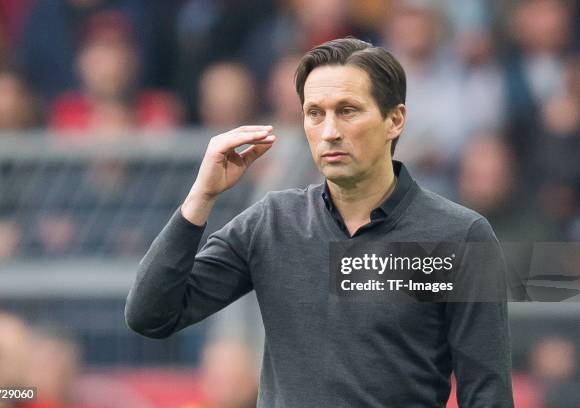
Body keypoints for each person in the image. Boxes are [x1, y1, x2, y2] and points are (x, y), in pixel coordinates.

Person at [125, 38, 513, 406]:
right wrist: (201, 196)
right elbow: (151, 316)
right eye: (315, 113)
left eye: (347, 110)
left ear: (395, 120)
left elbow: (487, 394)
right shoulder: (271, 222)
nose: (329, 132)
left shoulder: (460, 237)